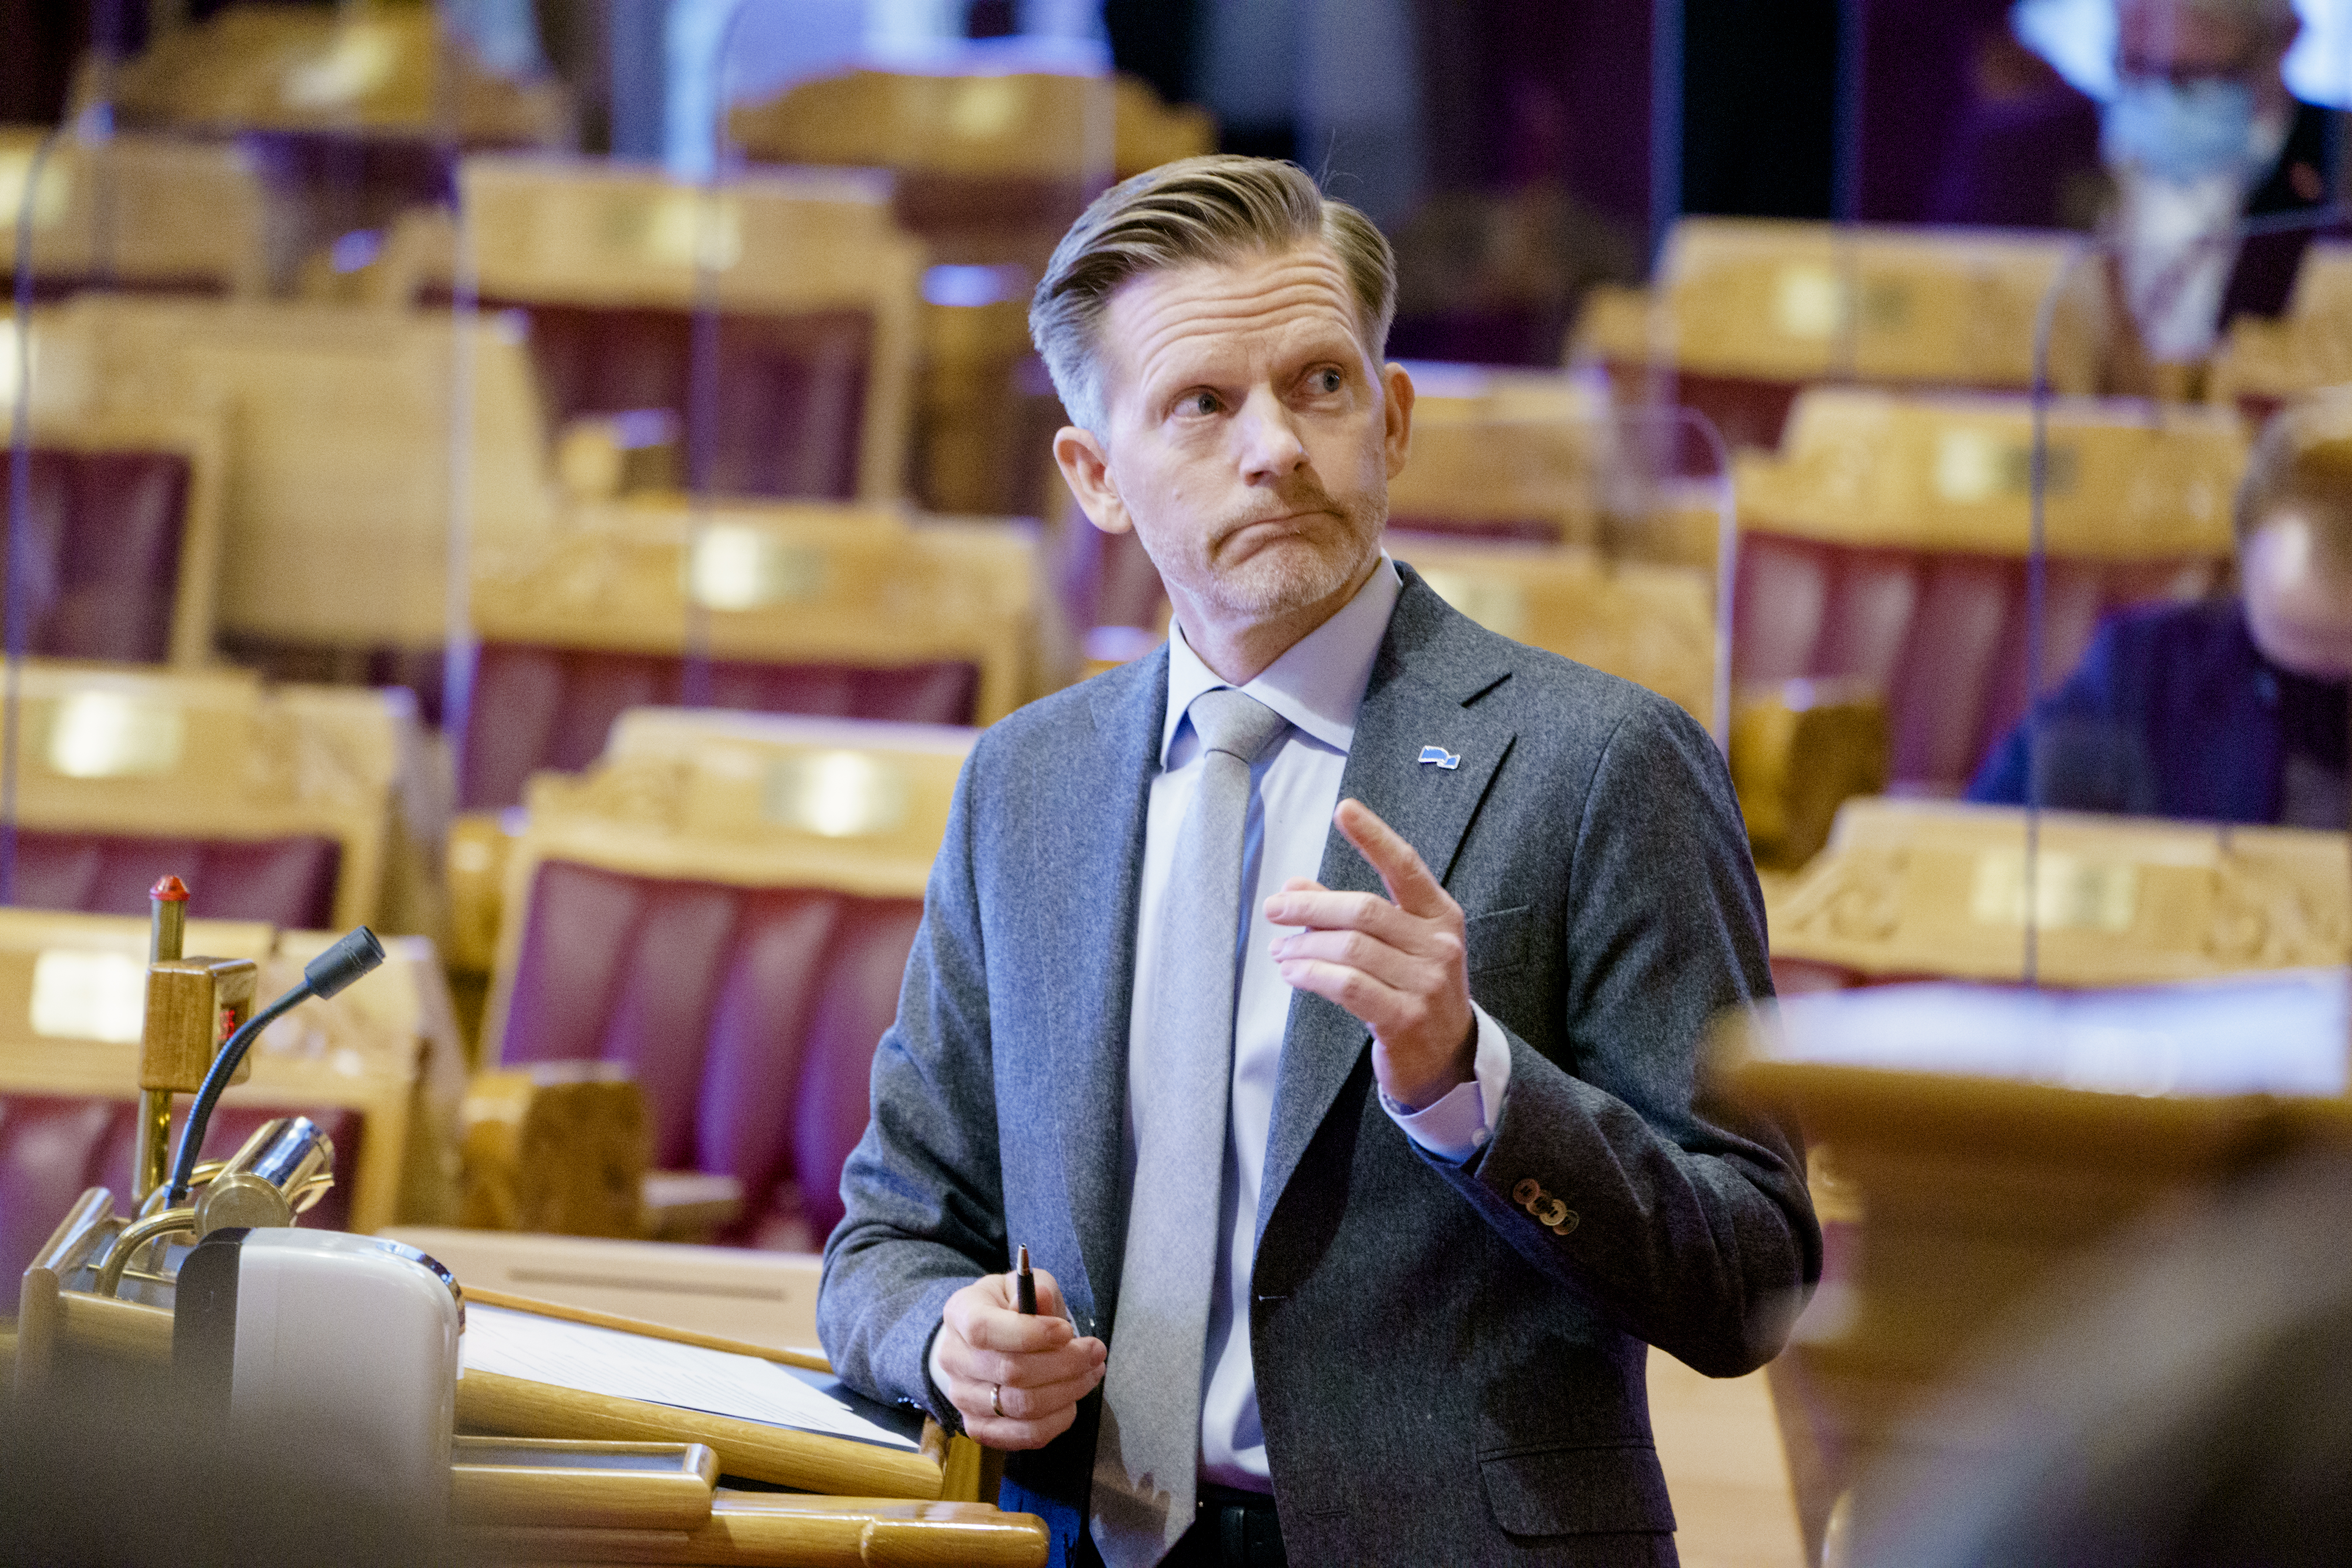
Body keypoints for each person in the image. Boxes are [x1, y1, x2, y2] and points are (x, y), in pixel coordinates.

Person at [817, 155, 1819, 1568]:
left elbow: (1754, 1276)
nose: (1276, 446)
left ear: (1392, 419)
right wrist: (944, 1338)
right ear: (1095, 477)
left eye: (1320, 385)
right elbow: (887, 1239)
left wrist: (1472, 1084)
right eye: (1202, 405)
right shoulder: (1021, 784)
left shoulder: (1603, 762)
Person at [1970, 399, 2352, 825]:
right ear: (2245, 573)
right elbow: (1995, 835)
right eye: (2297, 633)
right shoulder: (2144, 674)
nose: (2327, 668)